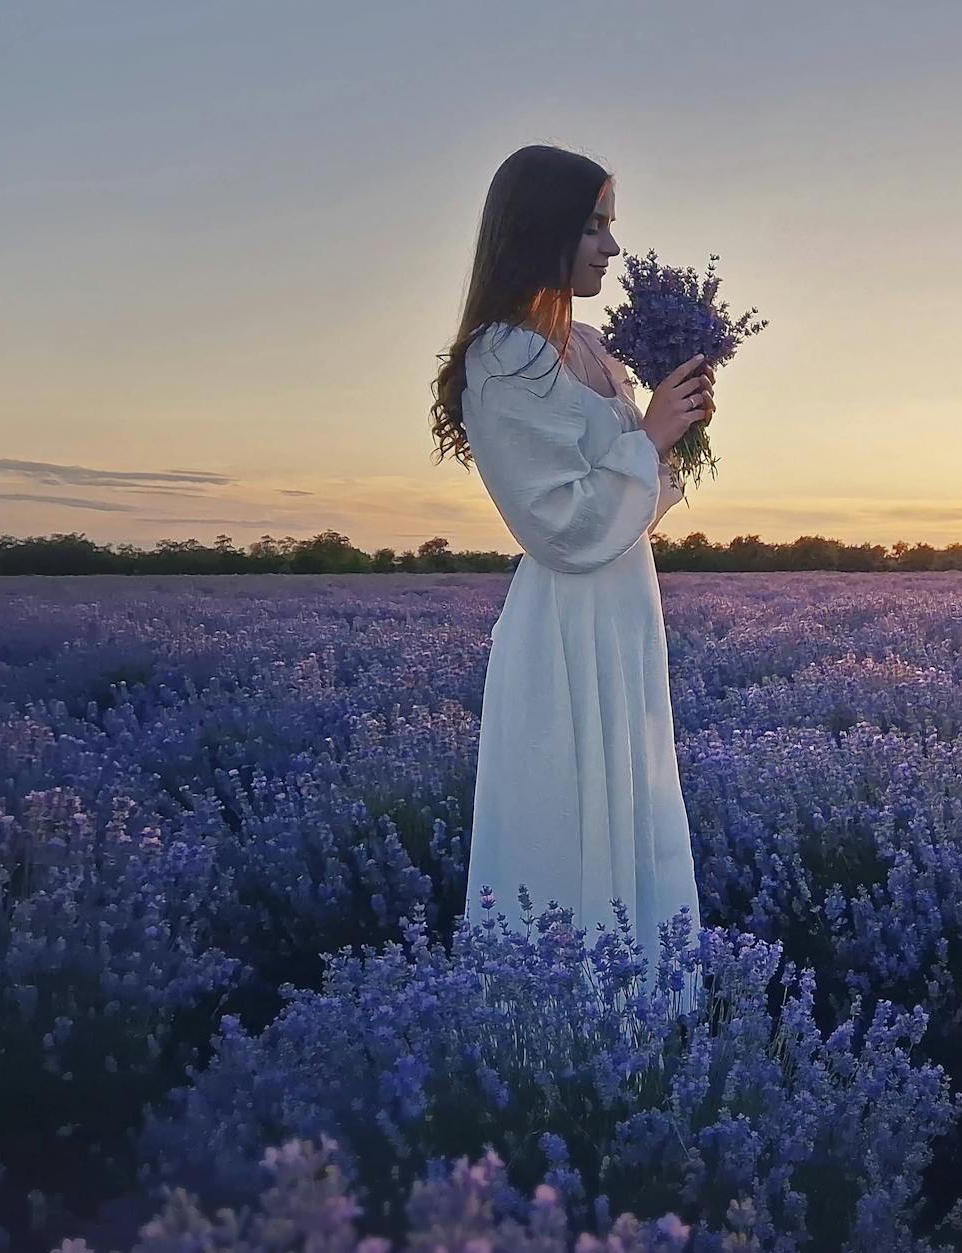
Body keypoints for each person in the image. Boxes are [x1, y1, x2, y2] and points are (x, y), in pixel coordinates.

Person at [427, 144, 715, 988]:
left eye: (612, 226)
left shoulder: (592, 347)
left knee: (631, 809)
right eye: (592, 226)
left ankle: (645, 1031)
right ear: (540, 228)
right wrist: (652, 435)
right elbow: (556, 524)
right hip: (565, 617)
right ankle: (559, 1045)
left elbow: (644, 497)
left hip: (624, 610)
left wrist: (675, 424)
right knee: (566, 815)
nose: (611, 249)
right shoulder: (501, 359)